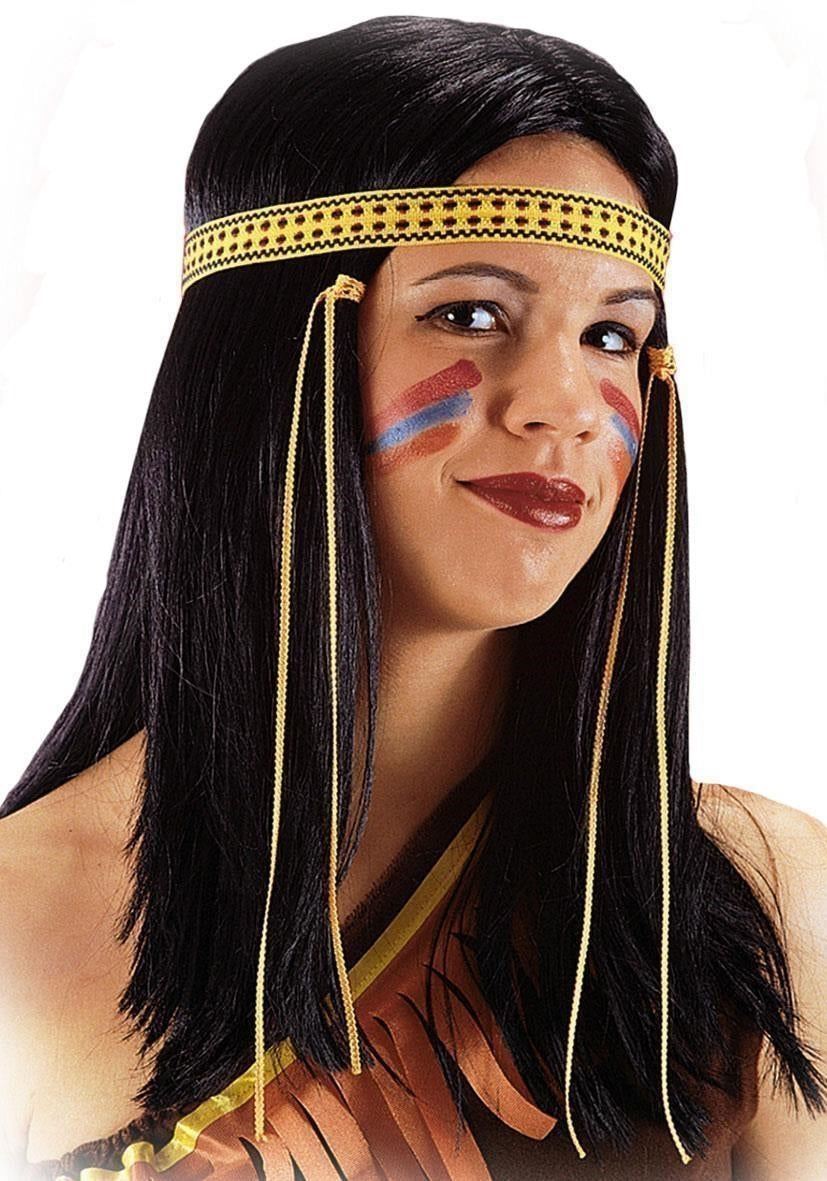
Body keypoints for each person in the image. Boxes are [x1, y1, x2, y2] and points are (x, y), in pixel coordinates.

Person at [1, 14, 825, 1181]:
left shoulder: (761, 900)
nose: (562, 404)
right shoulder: (17, 925)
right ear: (273, 353)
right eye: (470, 314)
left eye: (610, 334)